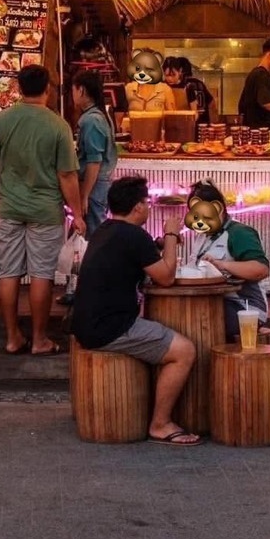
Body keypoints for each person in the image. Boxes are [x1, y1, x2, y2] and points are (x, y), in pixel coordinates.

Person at [71, 176, 202, 446]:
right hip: (110, 328)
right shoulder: (133, 235)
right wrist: (171, 235)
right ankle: (161, 424)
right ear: (138, 207)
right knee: (184, 350)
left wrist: (159, 245)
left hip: (84, 323)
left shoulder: (106, 229)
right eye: (147, 202)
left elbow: (137, 255)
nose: (149, 207)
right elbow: (166, 277)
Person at [0, 64, 85, 356]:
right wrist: (77, 213)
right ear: (47, 89)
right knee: (41, 274)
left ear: (18, 88)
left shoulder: (2, 120)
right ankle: (39, 340)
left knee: (8, 272)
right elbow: (67, 175)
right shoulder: (58, 125)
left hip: (10, 208)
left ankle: (13, 337)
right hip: (45, 210)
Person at [183, 180, 270, 339]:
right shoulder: (202, 236)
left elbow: (261, 270)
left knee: (195, 321)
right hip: (213, 301)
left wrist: (222, 265)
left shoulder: (239, 233)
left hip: (244, 309)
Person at [71, 69, 117, 236]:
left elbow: (94, 162)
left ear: (81, 90)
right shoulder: (99, 115)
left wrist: (84, 195)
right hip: (98, 186)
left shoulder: (91, 120)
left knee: (95, 235)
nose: (72, 95)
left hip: (94, 187)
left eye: (73, 90)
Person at [162, 56, 219, 125]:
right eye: (167, 75)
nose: (170, 79)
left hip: (187, 124)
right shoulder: (161, 87)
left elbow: (195, 113)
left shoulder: (189, 87)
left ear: (180, 71)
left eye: (173, 75)